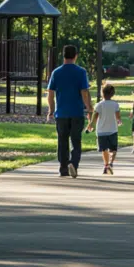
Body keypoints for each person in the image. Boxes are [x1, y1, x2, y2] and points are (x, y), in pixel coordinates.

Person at [47, 44, 92, 179]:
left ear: (63, 55)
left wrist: (51, 110)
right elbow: (84, 92)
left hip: (61, 113)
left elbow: (50, 93)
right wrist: (89, 108)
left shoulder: (56, 72)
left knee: (62, 141)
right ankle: (74, 163)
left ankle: (63, 168)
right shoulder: (81, 72)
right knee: (76, 140)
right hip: (77, 112)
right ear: (76, 56)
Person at [87, 83, 122, 175]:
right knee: (113, 149)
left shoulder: (99, 105)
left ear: (102, 93)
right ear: (112, 94)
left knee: (104, 149)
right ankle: (111, 163)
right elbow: (118, 117)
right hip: (113, 130)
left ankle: (106, 165)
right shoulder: (115, 105)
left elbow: (95, 117)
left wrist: (90, 124)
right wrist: (119, 121)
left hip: (101, 131)